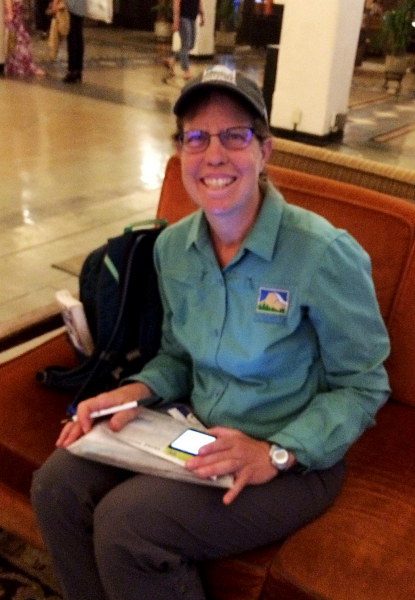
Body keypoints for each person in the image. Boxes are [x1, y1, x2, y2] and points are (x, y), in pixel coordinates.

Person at [31, 64, 391, 600]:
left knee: (129, 526)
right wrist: (135, 391)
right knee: (56, 485)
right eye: (196, 137)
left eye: (235, 136)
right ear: (180, 153)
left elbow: (364, 385)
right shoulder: (175, 248)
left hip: (291, 461)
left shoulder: (320, 253)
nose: (214, 155)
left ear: (265, 151)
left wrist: (274, 453)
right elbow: (179, 357)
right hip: (197, 434)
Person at [164, 0, 205, 80]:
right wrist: (176, 21)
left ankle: (172, 60)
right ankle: (186, 70)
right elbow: (176, 3)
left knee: (191, 45)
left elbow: (198, 2)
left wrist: (202, 16)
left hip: (192, 18)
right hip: (183, 18)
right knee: (185, 44)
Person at [3, 0, 45, 76]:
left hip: (17, 11)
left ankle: (17, 66)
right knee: (19, 39)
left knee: (19, 40)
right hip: (14, 11)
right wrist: (9, 11)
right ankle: (22, 66)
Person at [51, 0, 85, 82]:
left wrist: (55, 3)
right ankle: (78, 70)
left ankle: (72, 71)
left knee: (72, 37)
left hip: (70, 6)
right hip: (81, 6)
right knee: (78, 36)